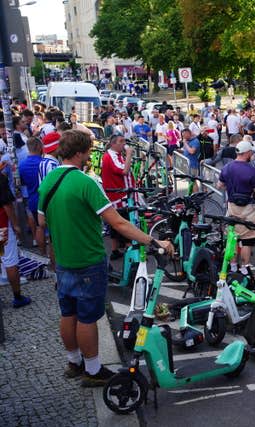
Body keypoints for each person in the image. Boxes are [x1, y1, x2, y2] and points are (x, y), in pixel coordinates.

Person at [37, 130, 173, 387]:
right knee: (88, 318)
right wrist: (154, 241)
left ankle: (73, 362)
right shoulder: (86, 182)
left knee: (68, 314)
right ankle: (93, 370)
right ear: (79, 153)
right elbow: (118, 223)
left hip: (64, 260)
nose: (91, 155)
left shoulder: (49, 180)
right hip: (88, 259)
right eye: (88, 150)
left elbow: (41, 221)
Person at [218, 140, 255, 267]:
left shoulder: (227, 167)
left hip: (232, 207)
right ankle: (245, 268)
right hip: (248, 208)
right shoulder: (251, 170)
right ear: (247, 153)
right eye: (251, 152)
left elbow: (220, 185)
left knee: (233, 237)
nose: (252, 155)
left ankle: (234, 266)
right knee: (248, 240)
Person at [0, 171, 30, 308]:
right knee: (10, 260)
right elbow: (7, 205)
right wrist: (16, 224)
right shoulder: (1, 178)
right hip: (2, 225)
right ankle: (17, 297)